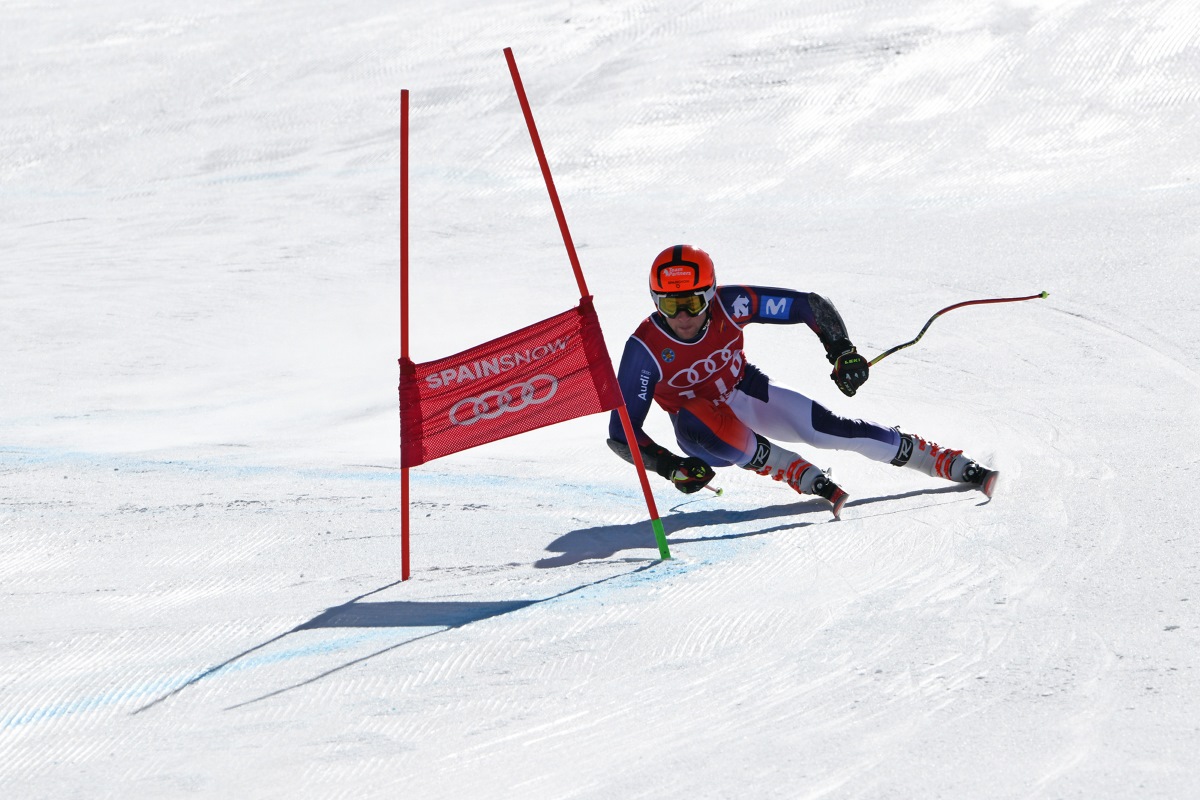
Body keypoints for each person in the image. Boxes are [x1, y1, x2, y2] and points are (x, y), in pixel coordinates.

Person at [606, 244, 998, 519]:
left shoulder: (733, 303)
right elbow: (621, 433)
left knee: (830, 429)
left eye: (692, 303)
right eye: (669, 305)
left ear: (709, 295)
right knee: (694, 414)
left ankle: (939, 459)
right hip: (703, 436)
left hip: (745, 390)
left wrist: (841, 351)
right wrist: (671, 466)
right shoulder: (645, 350)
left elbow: (808, 306)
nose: (683, 317)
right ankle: (788, 468)